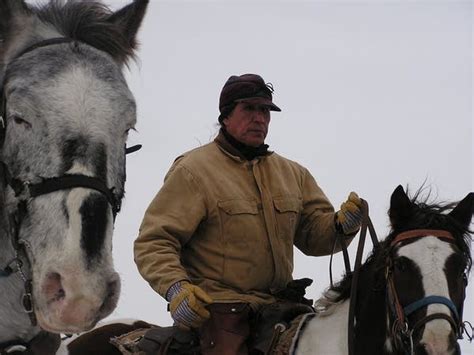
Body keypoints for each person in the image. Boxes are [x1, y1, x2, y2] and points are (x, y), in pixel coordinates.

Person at [134, 73, 363, 354]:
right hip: (219, 314)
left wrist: (343, 225)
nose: (259, 118)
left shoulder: (293, 174)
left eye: (265, 111)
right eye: (249, 109)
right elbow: (154, 242)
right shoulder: (193, 171)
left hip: (283, 310)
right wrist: (176, 290)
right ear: (226, 116)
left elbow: (316, 238)